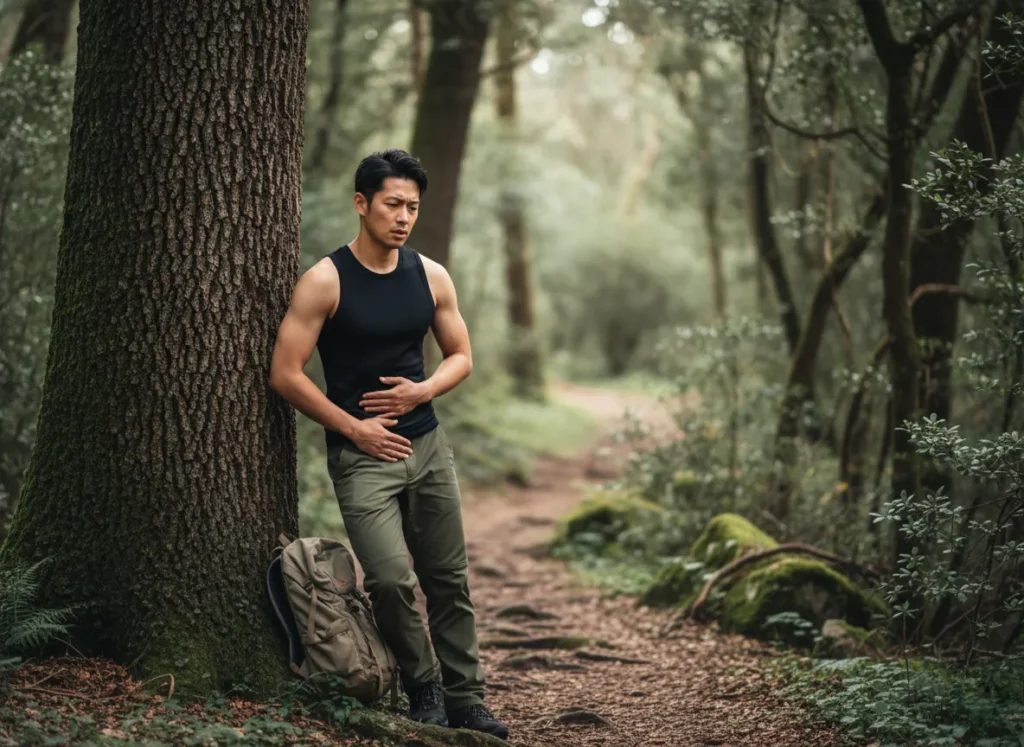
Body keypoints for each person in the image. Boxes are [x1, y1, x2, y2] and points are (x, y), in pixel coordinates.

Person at [268, 149, 508, 740]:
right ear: (362, 203)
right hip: (361, 458)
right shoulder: (325, 280)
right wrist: (354, 428)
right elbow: (286, 373)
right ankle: (422, 683)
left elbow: (462, 357)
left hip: (426, 449)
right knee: (392, 581)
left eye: (412, 207)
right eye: (393, 204)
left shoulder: (430, 275)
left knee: (448, 579)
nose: (403, 217)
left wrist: (421, 391)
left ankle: (467, 699)